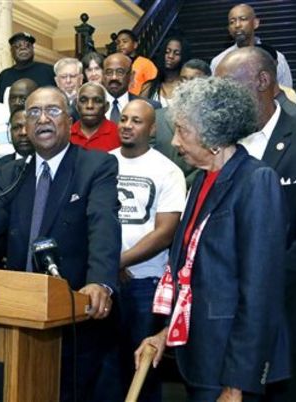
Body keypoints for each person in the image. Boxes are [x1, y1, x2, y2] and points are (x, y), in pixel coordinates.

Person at [0, 87, 121, 402]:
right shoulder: (13, 172)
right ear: (25, 126)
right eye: (33, 113)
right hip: (21, 314)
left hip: (73, 316)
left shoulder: (96, 166)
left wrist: (100, 281)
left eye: (53, 111)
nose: (43, 119)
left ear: (69, 120)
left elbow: (103, 225)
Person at [135, 77, 290, 401]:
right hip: (200, 357)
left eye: (183, 130)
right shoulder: (201, 180)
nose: (175, 141)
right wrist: (166, 333)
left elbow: (260, 292)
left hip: (230, 368)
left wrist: (236, 385)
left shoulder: (256, 181)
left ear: (213, 134)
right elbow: (193, 274)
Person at [216, 46, 296, 402]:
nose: (222, 98)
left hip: (285, 314)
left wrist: (252, 286)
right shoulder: (222, 146)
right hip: (227, 318)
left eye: (228, 87)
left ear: (263, 81)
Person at [111, 99, 185, 401]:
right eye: (124, 119)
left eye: (137, 121)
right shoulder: (104, 162)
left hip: (145, 284)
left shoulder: (168, 171)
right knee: (106, 367)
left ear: (152, 128)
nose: (128, 125)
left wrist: (119, 260)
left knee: (142, 369)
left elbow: (165, 233)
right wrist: (108, 265)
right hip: (106, 282)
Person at [153, 59, 211, 187]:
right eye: (183, 79)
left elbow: (212, 160)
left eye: (193, 80)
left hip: (197, 188)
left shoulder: (212, 122)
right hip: (161, 189)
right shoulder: (157, 116)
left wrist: (183, 185)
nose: (186, 85)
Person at [210, 3, 293, 88]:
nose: (237, 25)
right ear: (229, 29)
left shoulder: (276, 58)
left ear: (255, 23)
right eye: (232, 22)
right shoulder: (219, 62)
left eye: (243, 19)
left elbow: (286, 94)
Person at [0, 32, 55, 103]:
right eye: (17, 46)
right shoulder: (4, 75)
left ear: (33, 49)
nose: (23, 48)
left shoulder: (48, 70)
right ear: (11, 51)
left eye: (27, 45)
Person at [0, 107, 34, 189]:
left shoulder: (47, 166)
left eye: (28, 127)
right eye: (17, 127)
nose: (23, 132)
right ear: (10, 131)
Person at [103, 53, 161, 125]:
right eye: (109, 72)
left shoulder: (150, 107)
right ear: (103, 76)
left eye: (120, 72)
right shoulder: (91, 107)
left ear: (131, 76)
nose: (114, 77)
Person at [141, 36, 192, 107]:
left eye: (176, 53)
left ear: (183, 57)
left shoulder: (188, 87)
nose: (170, 56)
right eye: (167, 52)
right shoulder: (149, 87)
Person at [70, 82, 120, 152]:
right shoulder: (66, 135)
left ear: (106, 107)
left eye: (97, 101)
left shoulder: (119, 135)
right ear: (77, 106)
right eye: (83, 100)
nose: (90, 106)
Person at [115, 29, 158, 96]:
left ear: (135, 45)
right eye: (118, 43)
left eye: (124, 41)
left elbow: (152, 86)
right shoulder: (115, 64)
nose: (121, 45)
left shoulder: (145, 63)